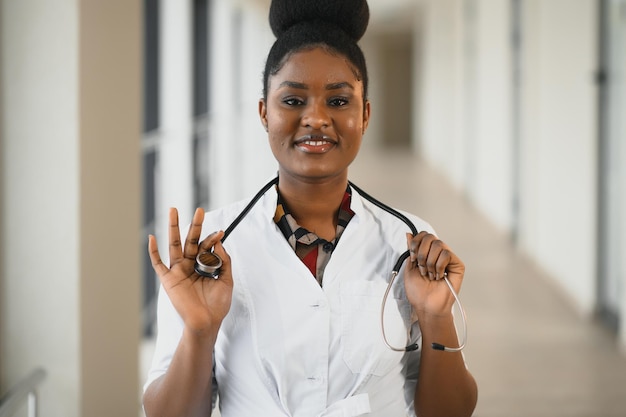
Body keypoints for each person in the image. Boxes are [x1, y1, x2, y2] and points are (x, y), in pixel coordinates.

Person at [142, 0, 478, 416]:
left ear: (365, 114)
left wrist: (436, 316)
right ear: (264, 113)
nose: (316, 118)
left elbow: (451, 412)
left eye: (338, 102)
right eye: (293, 101)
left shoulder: (410, 243)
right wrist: (199, 329)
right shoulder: (207, 252)